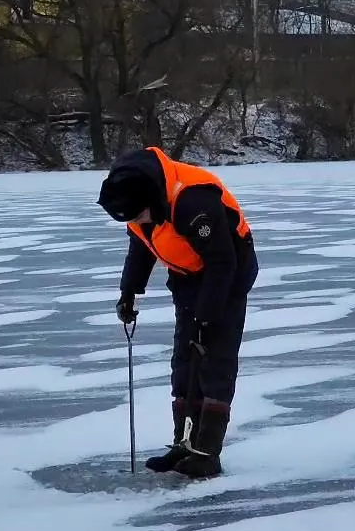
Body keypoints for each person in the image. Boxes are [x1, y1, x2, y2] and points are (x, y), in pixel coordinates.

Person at [96, 145, 259, 479]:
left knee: (214, 360)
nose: (135, 222)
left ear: (151, 201)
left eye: (137, 215)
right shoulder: (135, 195)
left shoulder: (192, 201)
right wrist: (129, 292)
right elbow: (141, 247)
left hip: (226, 275)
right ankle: (183, 445)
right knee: (185, 361)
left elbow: (222, 262)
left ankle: (206, 454)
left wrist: (207, 316)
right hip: (187, 276)